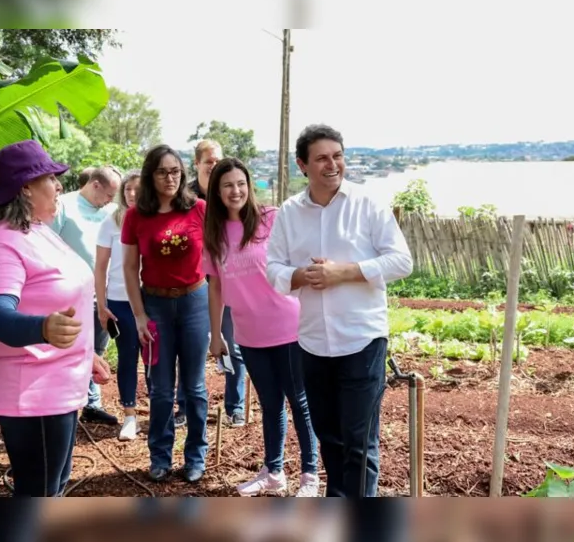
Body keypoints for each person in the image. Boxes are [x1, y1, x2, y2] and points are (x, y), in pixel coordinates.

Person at [265, 124, 413, 498]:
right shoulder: (289, 213)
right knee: (329, 439)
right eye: (322, 158)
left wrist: (343, 272)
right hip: (313, 343)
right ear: (302, 165)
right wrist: (300, 275)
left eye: (338, 156)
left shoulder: (368, 205)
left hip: (362, 340)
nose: (332, 164)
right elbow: (273, 268)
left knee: (359, 444)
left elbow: (402, 262)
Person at [0, 140, 111, 497]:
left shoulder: (35, 230)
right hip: (33, 395)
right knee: (40, 497)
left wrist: (83, 352)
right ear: (26, 188)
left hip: (56, 388)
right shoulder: (1, 243)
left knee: (51, 491)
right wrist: (43, 328)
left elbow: (51, 294)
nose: (60, 185)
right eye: (51, 177)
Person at [202, 158, 320, 497]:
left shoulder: (271, 218)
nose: (235, 190)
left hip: (288, 326)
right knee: (270, 403)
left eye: (240, 183)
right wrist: (216, 333)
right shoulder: (214, 233)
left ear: (249, 185)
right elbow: (215, 286)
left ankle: (310, 476)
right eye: (227, 185)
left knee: (299, 401)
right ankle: (274, 472)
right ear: (217, 191)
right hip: (248, 334)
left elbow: (299, 259)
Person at [121, 144, 210, 483]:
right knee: (160, 389)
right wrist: (140, 316)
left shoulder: (199, 209)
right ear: (150, 176)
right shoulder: (135, 216)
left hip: (194, 302)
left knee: (195, 387)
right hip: (155, 304)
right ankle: (160, 456)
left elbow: (219, 255)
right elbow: (130, 268)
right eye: (162, 172)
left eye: (175, 171)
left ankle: (195, 457)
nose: (170, 178)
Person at [176, 139, 247, 429]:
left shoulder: (230, 194)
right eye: (209, 161)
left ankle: (235, 406)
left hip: (226, 282)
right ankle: (184, 406)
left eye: (218, 160)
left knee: (233, 345)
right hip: (192, 284)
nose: (214, 166)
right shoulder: (185, 197)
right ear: (197, 164)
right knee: (190, 348)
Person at [51, 166, 122, 426]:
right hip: (70, 293)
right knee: (72, 348)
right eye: (108, 194)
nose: (110, 200)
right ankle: (68, 405)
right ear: (94, 185)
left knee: (98, 349)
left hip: (103, 293)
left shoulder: (111, 212)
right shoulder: (63, 206)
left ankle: (92, 404)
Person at [95, 170, 148, 441]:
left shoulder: (153, 219)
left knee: (155, 360)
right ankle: (130, 416)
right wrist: (102, 305)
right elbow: (101, 267)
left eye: (137, 189)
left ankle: (160, 415)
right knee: (128, 358)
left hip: (151, 299)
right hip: (119, 301)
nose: (131, 194)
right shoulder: (110, 222)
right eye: (127, 189)